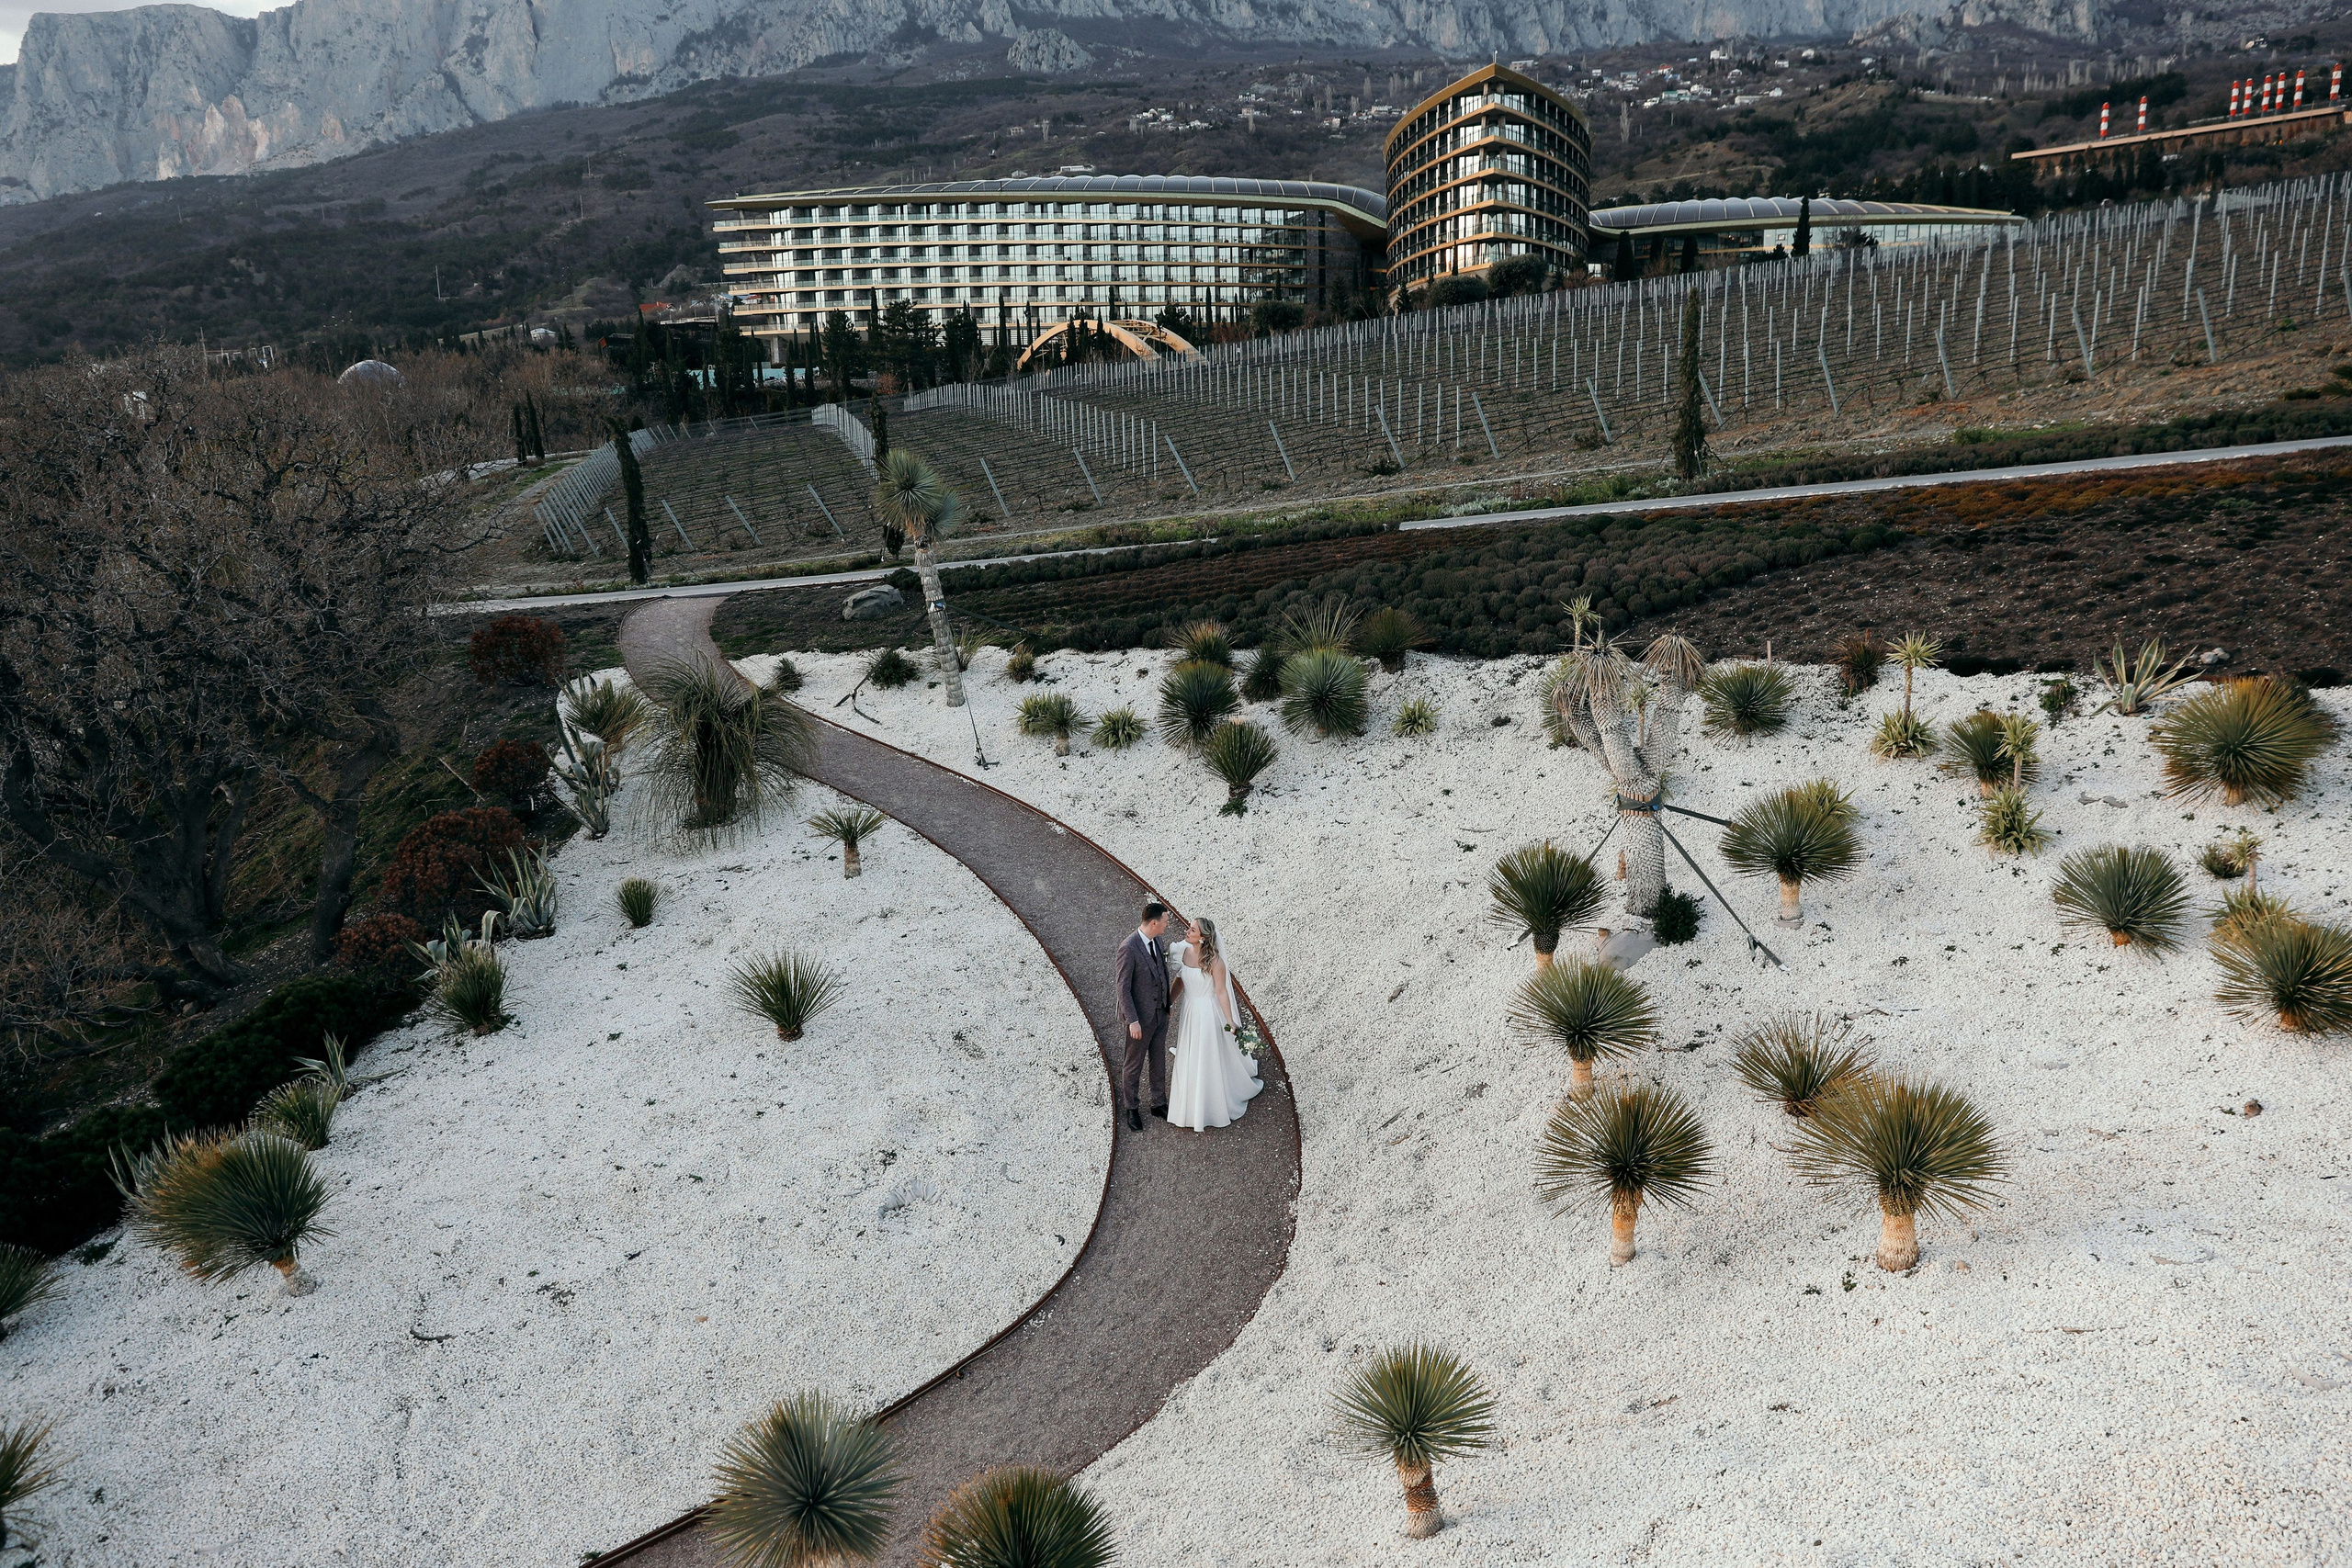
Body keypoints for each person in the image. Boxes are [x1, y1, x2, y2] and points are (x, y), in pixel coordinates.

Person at [1164, 917, 1262, 1133]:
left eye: (1192, 930)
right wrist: (1169, 1002)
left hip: (1207, 1012)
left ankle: (1210, 1103)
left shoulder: (1215, 963)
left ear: (1203, 938)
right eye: (1189, 928)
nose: (1187, 931)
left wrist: (1230, 1021)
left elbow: (1221, 992)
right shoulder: (1183, 952)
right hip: (1190, 1011)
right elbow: (1180, 980)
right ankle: (1189, 1102)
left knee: (1206, 1054)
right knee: (1191, 1052)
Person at [1113, 901, 1172, 1133]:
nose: (1167, 925)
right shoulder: (1128, 948)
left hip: (1160, 1014)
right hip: (1139, 1019)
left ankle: (1158, 1103)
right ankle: (1132, 1108)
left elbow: (1162, 973)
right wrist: (1133, 1021)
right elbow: (1123, 988)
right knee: (1133, 1064)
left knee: (1158, 1059)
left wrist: (1167, 1003)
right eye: (1165, 921)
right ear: (1154, 923)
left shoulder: (1157, 941)